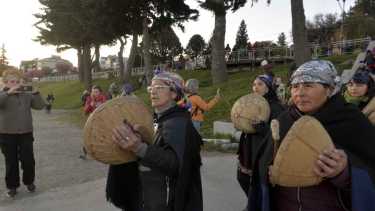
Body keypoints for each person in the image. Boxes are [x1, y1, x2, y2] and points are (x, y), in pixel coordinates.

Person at [248, 60, 375, 211]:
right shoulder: (284, 120)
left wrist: (345, 173)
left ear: (329, 89)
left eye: (308, 85)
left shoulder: (351, 120)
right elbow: (262, 167)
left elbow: (369, 168)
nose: (300, 93)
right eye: (295, 86)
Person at [110, 71, 203, 211]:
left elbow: (176, 165)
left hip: (168, 202)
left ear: (173, 93)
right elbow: (157, 149)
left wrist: (139, 147)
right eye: (151, 88)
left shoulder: (178, 123)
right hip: (152, 197)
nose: (153, 91)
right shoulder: (158, 119)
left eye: (159, 88)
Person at [236, 74, 284, 210]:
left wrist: (262, 128)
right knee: (242, 178)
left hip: (263, 150)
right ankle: (253, 203)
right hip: (248, 148)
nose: (255, 87)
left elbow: (279, 133)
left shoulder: (275, 107)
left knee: (260, 184)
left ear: (268, 88)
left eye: (260, 84)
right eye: (254, 84)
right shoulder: (252, 103)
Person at [0, 69, 45, 198]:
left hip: (26, 132)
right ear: (5, 83)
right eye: (12, 81)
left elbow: (40, 106)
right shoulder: (3, 94)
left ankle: (29, 181)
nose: (15, 84)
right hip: (6, 134)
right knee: (11, 161)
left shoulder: (26, 94)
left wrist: (36, 93)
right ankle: (12, 186)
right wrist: (8, 93)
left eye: (17, 81)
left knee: (28, 160)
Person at [81, 85, 107, 159]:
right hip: (91, 120)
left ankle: (103, 151)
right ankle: (85, 152)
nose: (94, 93)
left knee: (102, 136)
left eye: (96, 92)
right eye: (93, 91)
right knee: (89, 136)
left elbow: (106, 108)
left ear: (100, 92)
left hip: (101, 120)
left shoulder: (103, 98)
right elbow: (85, 111)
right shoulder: (89, 99)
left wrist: (100, 105)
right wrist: (90, 105)